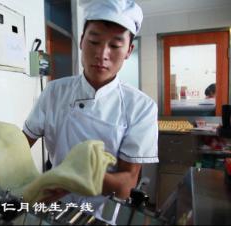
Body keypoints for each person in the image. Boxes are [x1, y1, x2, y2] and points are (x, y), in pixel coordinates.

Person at [22, 0, 159, 220]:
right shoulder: (54, 91)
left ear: (128, 50)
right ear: (81, 41)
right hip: (53, 208)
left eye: (115, 46)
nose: (102, 54)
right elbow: (20, 144)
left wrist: (73, 178)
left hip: (103, 215)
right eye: (94, 41)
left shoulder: (141, 107)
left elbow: (126, 185)